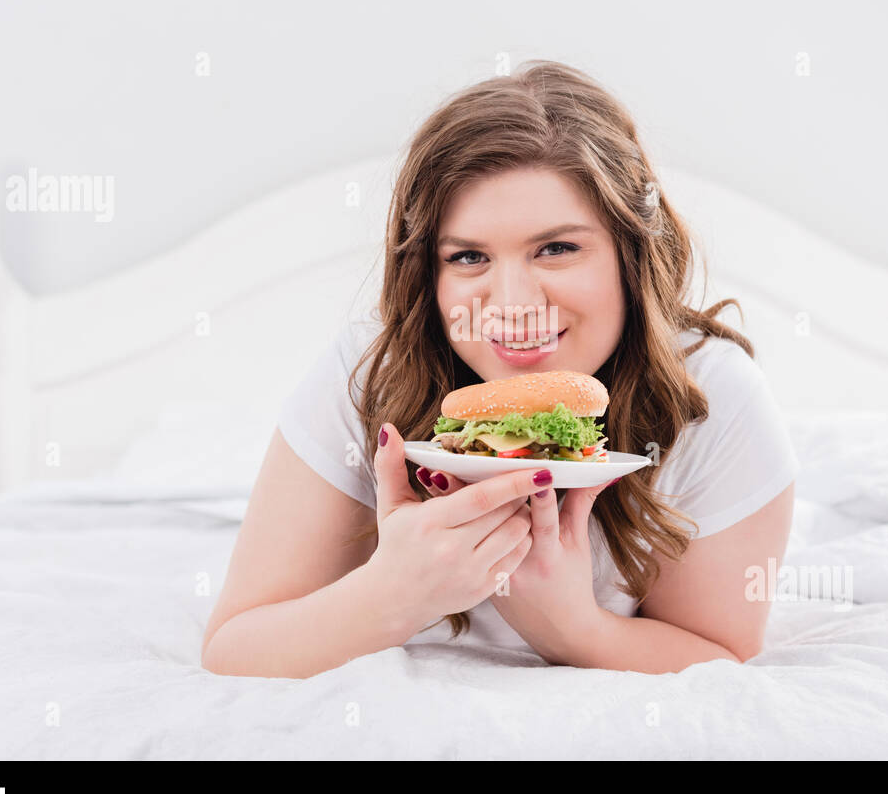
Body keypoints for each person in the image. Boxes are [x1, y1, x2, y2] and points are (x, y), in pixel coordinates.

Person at [201, 60, 799, 678]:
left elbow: (722, 656)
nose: (513, 305)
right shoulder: (370, 373)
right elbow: (235, 648)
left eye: (557, 248)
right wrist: (394, 594)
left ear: (631, 254)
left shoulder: (711, 394)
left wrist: (572, 626)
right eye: (467, 256)